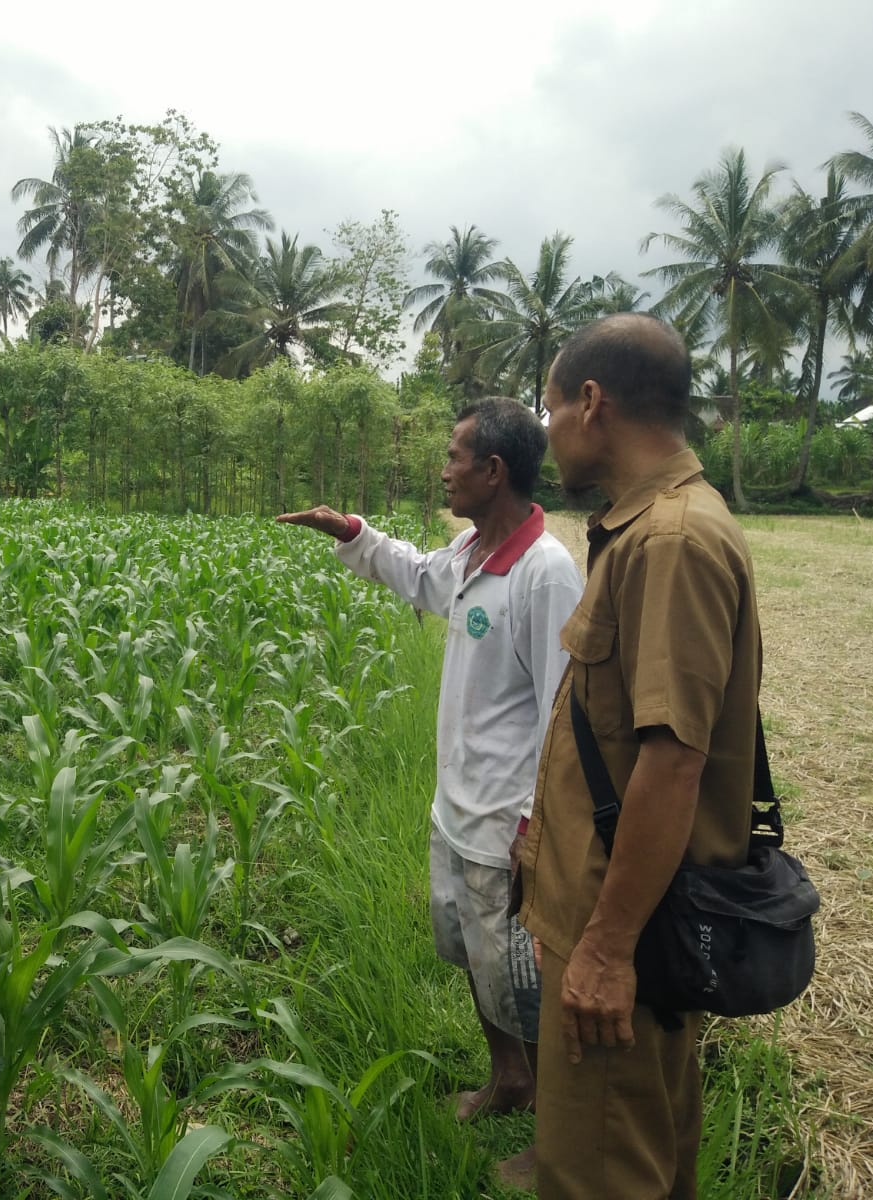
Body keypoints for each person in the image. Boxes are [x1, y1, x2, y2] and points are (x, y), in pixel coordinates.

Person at [279, 396, 582, 1184]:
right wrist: (351, 532)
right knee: (474, 958)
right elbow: (420, 576)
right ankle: (509, 1079)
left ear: (494, 470)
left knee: (524, 984)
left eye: (454, 455)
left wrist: (536, 829)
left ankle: (560, 1142)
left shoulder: (545, 572)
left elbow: (563, 713)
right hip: (456, 813)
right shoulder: (476, 552)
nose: (443, 469)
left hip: (506, 825)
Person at [518, 314, 763, 1198]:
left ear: (592, 403)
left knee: (601, 1171)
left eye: (550, 406)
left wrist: (605, 949)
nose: (548, 429)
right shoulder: (650, 529)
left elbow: (672, 763)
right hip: (618, 911)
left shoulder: (669, 541)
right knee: (640, 1152)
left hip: (624, 925)